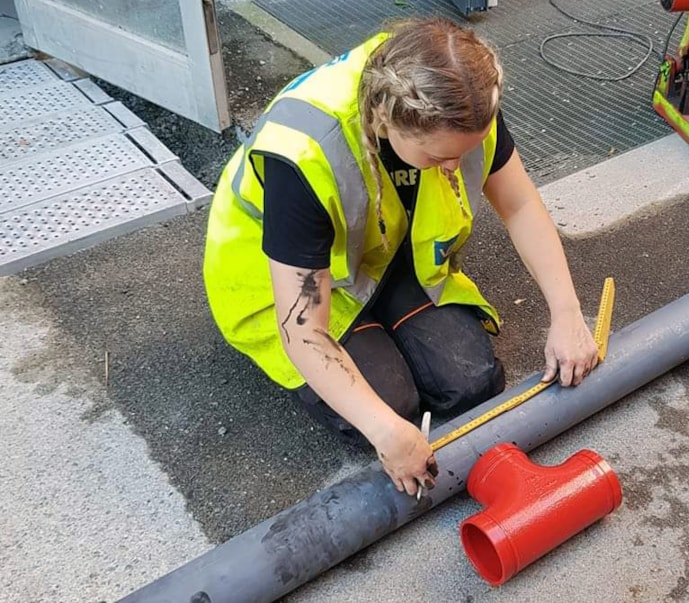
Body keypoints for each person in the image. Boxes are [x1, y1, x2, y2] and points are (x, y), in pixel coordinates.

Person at [202, 17, 598, 498]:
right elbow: (303, 330)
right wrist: (386, 433)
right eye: (437, 159)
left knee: (470, 383)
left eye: (462, 154)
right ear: (386, 120)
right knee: (393, 406)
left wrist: (568, 313)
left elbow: (518, 204)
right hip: (278, 285)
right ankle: (376, 374)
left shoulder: (461, 94)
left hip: (375, 252)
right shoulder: (304, 154)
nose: (454, 169)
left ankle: (383, 324)